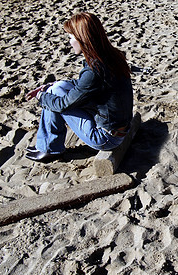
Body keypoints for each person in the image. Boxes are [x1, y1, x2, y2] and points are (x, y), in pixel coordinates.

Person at [26, 12, 133, 163]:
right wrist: (50, 86)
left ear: (82, 39)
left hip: (106, 137)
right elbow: (85, 86)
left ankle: (49, 149)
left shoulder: (95, 69)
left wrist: (41, 97)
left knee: (53, 96)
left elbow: (63, 104)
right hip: (118, 127)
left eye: (71, 37)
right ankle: (48, 146)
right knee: (58, 86)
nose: (69, 42)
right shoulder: (110, 55)